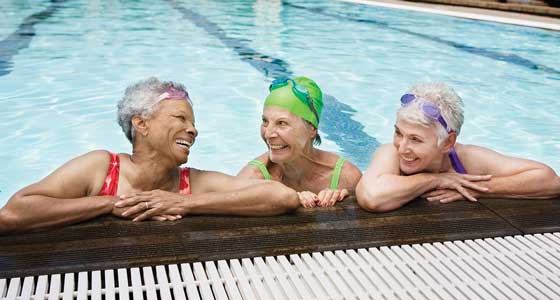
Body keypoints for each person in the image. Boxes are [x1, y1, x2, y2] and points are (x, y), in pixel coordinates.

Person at [0, 78, 299, 234]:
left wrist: (183, 202)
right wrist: (109, 203)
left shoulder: (191, 182)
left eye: (192, 122)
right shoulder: (101, 169)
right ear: (141, 123)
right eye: (180, 118)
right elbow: (14, 213)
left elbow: (283, 197)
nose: (192, 130)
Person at [356, 82, 560, 212]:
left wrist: (479, 189)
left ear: (447, 142)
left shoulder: (465, 158)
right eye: (398, 133)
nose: (402, 148)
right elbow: (372, 197)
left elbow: (550, 181)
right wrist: (437, 180)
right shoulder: (390, 153)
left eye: (416, 139)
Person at [237, 77, 362, 208]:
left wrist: (347, 198)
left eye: (282, 123)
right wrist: (284, 198)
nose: (268, 134)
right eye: (265, 121)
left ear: (312, 129)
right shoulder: (254, 177)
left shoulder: (346, 177)